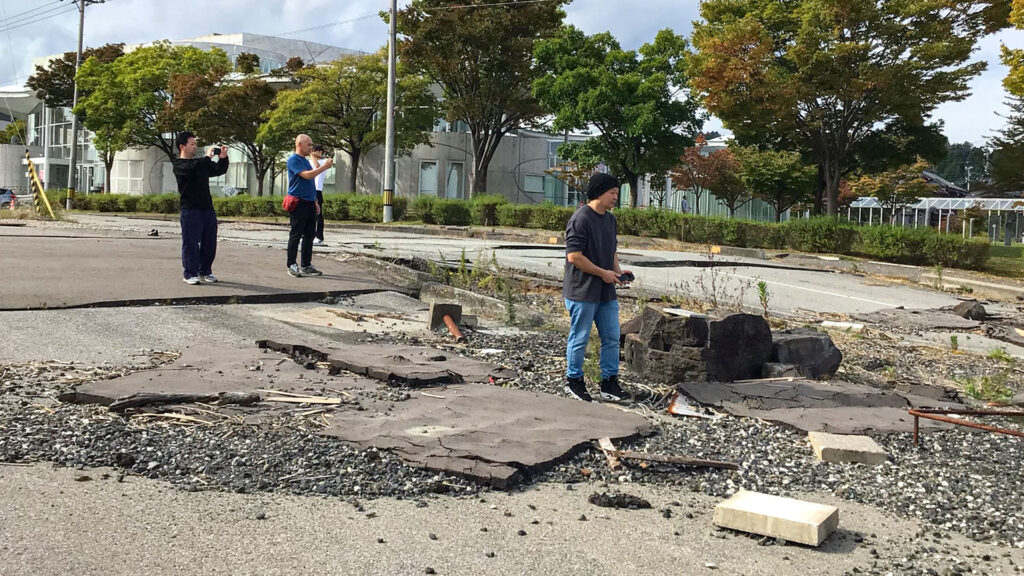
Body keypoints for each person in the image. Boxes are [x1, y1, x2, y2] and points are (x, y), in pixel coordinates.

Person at [563, 173, 634, 403]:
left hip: (606, 292)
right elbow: (574, 257)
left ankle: (609, 383)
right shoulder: (580, 219)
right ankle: (574, 381)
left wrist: (617, 272)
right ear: (599, 193)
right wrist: (603, 273)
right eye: (612, 193)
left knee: (612, 337)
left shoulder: (610, 220)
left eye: (616, 193)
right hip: (582, 291)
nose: (616, 197)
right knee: (580, 337)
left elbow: (611, 251)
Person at [173, 131, 228, 285]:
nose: (195, 147)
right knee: (191, 243)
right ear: (182, 146)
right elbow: (193, 167)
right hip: (190, 209)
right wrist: (208, 157)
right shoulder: (179, 165)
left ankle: (205, 271)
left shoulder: (200, 164)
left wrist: (223, 158)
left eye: (196, 144)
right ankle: (189, 273)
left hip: (207, 208)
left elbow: (218, 170)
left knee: (209, 242)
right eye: (192, 144)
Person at [286, 134, 333, 277]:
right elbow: (307, 176)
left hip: (309, 202)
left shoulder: (306, 161)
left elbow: (310, 182)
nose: (311, 148)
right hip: (298, 202)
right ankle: (291, 264)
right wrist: (324, 167)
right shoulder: (293, 160)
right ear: (300, 144)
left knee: (309, 235)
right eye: (309, 144)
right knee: (296, 234)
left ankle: (306, 264)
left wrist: (314, 200)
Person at [311, 144, 328, 246]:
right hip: (309, 189)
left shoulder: (324, 162)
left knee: (318, 214)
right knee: (308, 214)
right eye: (315, 151)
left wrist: (312, 156)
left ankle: (319, 237)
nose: (318, 153)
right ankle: (306, 235)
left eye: (319, 151)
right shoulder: (309, 162)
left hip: (317, 190)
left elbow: (317, 167)